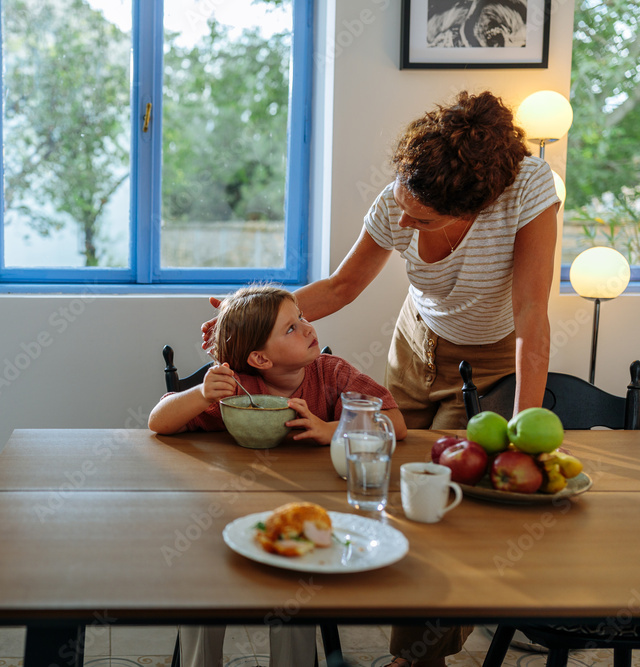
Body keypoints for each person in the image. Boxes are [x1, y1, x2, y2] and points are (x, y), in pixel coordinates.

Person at [202, 91, 561, 667]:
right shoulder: (399, 199)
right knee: (379, 474)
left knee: (447, 505)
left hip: (492, 359)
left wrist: (522, 427)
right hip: (416, 343)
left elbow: (531, 318)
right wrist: (246, 318)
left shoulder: (527, 191)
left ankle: (417, 657)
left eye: (422, 219)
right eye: (404, 205)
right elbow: (341, 288)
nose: (406, 221)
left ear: (474, 205)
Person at [150, 283, 406, 667]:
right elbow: (158, 422)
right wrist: (201, 395)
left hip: (306, 516)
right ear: (259, 359)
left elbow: (396, 422)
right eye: (291, 328)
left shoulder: (332, 374)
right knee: (206, 585)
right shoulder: (235, 387)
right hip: (231, 510)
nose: (307, 328)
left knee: (295, 588)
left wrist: (331, 428)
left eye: (301, 317)